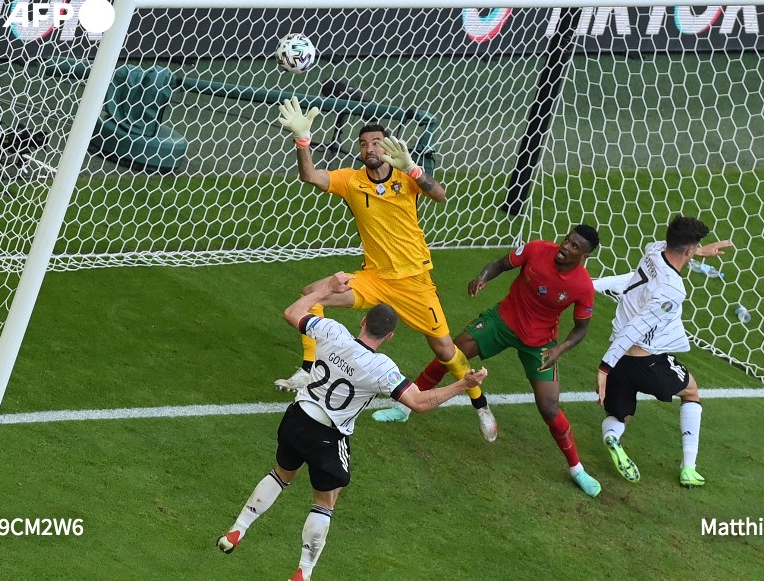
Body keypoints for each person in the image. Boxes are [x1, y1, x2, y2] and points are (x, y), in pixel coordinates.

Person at [217, 271, 488, 581]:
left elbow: (292, 312)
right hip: (328, 435)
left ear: (363, 321)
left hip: (297, 418)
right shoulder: (382, 368)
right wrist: (462, 385)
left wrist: (326, 290)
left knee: (280, 475)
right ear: (389, 337)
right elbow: (420, 403)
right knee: (326, 501)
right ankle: (303, 573)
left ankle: (237, 530)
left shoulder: (332, 331)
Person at [272, 97, 498, 443]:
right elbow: (310, 176)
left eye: (376, 142)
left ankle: (480, 403)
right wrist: (303, 140)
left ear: (387, 146)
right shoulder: (351, 180)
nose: (370, 148)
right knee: (311, 295)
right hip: (374, 278)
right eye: (363, 144)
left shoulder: (406, 177)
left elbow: (440, 194)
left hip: (414, 283)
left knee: (444, 350)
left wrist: (414, 169)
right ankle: (307, 369)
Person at [372, 225, 603, 497]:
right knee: (449, 353)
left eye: (575, 247)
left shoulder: (582, 286)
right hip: (502, 322)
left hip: (540, 343)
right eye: (567, 240)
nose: (565, 247)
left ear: (584, 256)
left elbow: (581, 329)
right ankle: (404, 409)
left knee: (549, 407)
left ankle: (577, 469)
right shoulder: (537, 249)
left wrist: (559, 350)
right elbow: (500, 264)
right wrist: (483, 277)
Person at [593, 215, 734, 488]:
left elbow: (671, 247)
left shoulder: (652, 250)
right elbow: (636, 328)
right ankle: (689, 467)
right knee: (691, 391)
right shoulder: (672, 290)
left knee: (620, 414)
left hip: (621, 360)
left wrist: (698, 251)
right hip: (646, 361)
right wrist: (603, 367)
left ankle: (612, 436)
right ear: (688, 250)